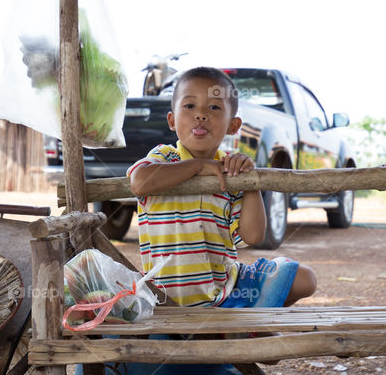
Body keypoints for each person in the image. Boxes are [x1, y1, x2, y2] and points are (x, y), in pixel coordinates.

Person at [128, 66, 316, 307]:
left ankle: (242, 319)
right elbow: (140, 183)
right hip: (168, 301)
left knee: (305, 278)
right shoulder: (164, 158)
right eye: (189, 106)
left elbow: (253, 236)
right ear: (172, 120)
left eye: (214, 107)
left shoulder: (230, 169)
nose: (201, 115)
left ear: (233, 125)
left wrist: (249, 184)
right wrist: (198, 166)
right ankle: (245, 326)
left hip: (227, 292)